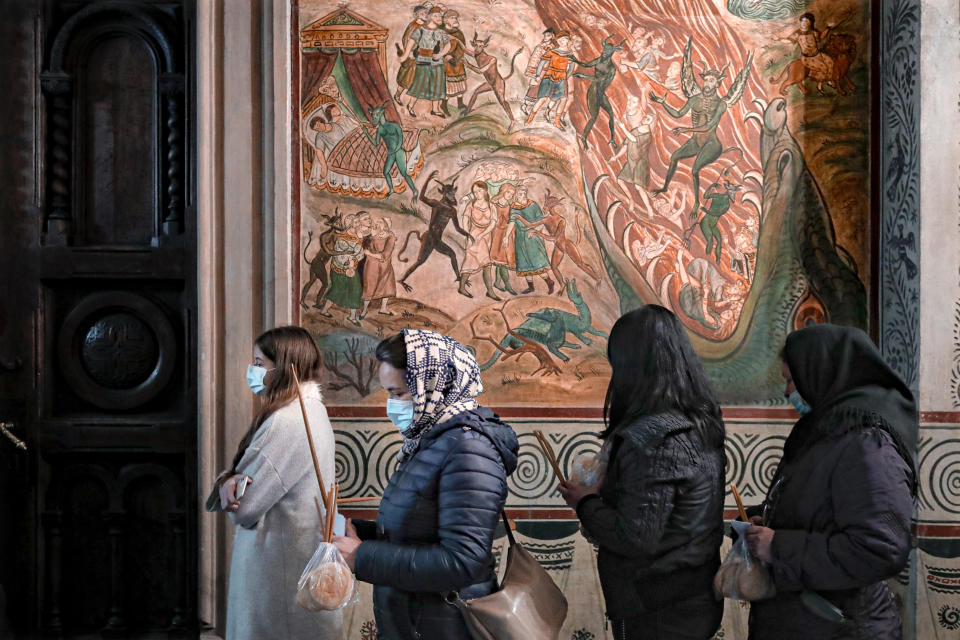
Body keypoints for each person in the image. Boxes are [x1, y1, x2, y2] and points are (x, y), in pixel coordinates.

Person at [332, 330, 519, 639]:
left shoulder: (469, 449)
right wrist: (357, 533)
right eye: (388, 393)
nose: (391, 405)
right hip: (416, 621)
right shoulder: (431, 439)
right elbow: (423, 526)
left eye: (399, 393)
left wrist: (362, 557)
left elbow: (462, 561)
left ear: (433, 385)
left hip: (443, 625)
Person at [559, 306, 726, 639]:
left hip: (656, 606)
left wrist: (586, 504)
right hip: (694, 595)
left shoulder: (652, 437)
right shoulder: (700, 422)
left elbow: (635, 536)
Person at [744, 324, 916, 639]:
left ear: (821, 373)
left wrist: (778, 547)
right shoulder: (823, 434)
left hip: (841, 627)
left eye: (791, 380)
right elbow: (819, 510)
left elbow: (878, 549)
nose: (787, 392)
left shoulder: (866, 444)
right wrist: (768, 520)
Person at [215, 326, 341, 640]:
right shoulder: (313, 410)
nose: (253, 371)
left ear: (283, 367)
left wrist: (224, 485)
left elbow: (243, 509)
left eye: (260, 363)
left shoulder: (285, 421)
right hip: (297, 561)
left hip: (278, 570)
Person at [458, 181, 500, 300]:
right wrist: (467, 234)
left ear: (485, 191)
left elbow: (493, 223)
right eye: (475, 192)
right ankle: (463, 287)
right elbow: (465, 219)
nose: (477, 194)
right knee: (472, 262)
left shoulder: (491, 206)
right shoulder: (471, 205)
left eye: (480, 191)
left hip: (486, 237)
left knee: (486, 264)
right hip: (474, 236)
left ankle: (489, 291)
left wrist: (483, 234)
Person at [361, 217, 398, 318]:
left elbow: (386, 254)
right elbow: (366, 248)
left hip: (385, 265)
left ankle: (383, 308)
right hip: (372, 265)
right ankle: (364, 310)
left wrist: (370, 253)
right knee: (369, 286)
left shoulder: (391, 237)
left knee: (386, 286)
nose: (377, 224)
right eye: (377, 222)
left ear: (386, 225)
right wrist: (371, 237)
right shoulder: (373, 235)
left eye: (380, 222)